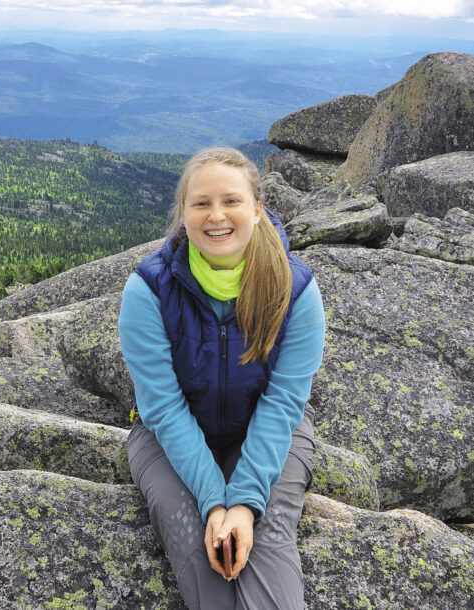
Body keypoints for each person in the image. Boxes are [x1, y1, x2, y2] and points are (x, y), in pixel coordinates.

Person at [118, 147, 325, 609]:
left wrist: (246, 504)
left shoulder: (296, 290)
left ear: (257, 209)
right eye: (201, 203)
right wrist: (214, 501)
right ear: (183, 213)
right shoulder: (149, 291)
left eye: (231, 201)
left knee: (266, 537)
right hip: (166, 436)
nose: (216, 216)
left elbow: (284, 402)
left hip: (272, 430)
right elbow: (162, 407)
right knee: (195, 538)